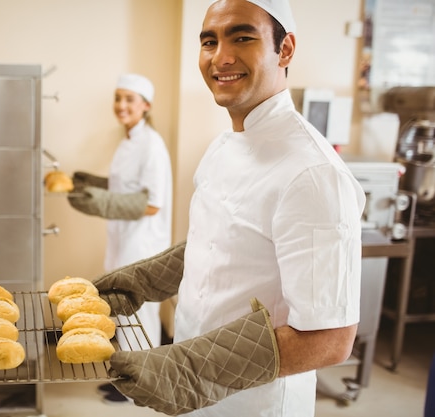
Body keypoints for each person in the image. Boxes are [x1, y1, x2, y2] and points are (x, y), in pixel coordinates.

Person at [89, 1, 366, 416]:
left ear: (285, 50)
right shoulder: (222, 148)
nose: (221, 57)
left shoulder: (312, 173)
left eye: (242, 37)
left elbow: (330, 337)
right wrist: (141, 282)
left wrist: (188, 369)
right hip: (196, 394)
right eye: (209, 41)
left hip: (254, 403)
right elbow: (218, 243)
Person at [67, 74, 173, 403]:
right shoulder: (127, 139)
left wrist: (101, 203)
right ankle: (125, 378)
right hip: (122, 238)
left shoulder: (151, 144)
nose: (122, 105)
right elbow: (124, 187)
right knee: (121, 311)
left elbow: (152, 203)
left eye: (130, 99)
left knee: (140, 314)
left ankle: (142, 385)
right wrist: (90, 182)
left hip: (142, 242)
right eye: (118, 98)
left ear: (146, 106)